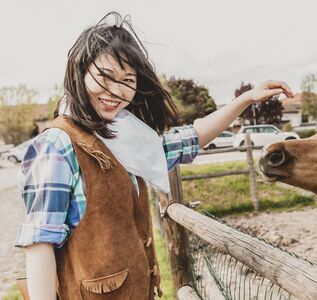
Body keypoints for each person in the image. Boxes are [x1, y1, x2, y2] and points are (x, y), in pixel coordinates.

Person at [15, 11, 292, 300]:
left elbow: (192, 137)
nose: (116, 91)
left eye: (127, 80)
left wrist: (245, 99)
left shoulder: (127, 139)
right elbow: (39, 244)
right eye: (105, 77)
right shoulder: (57, 146)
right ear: (78, 72)